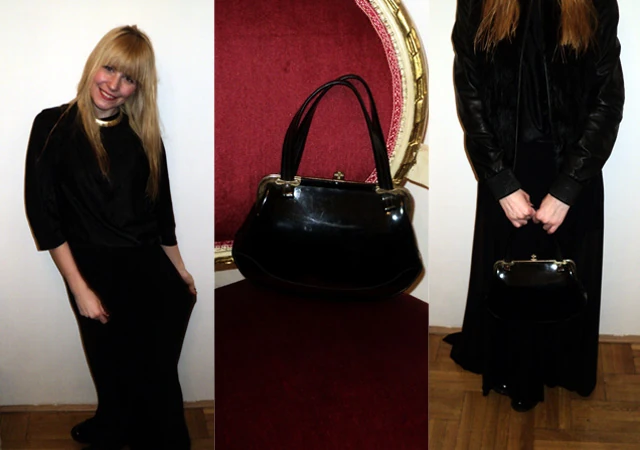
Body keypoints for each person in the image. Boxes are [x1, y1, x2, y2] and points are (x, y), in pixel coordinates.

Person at [444, 0, 624, 412]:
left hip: (572, 168)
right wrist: (500, 181)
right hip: (505, 168)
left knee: (565, 282)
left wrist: (568, 188)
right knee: (509, 282)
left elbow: (608, 100)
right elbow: (468, 90)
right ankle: (516, 375)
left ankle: (560, 369)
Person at [25, 25, 196, 449]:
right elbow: (44, 218)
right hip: (93, 274)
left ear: (138, 88)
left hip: (151, 275)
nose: (114, 85)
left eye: (129, 78)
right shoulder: (52, 126)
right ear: (94, 64)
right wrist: (79, 289)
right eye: (110, 69)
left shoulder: (143, 136)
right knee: (110, 369)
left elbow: (163, 215)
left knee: (156, 380)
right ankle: (112, 424)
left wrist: (180, 271)